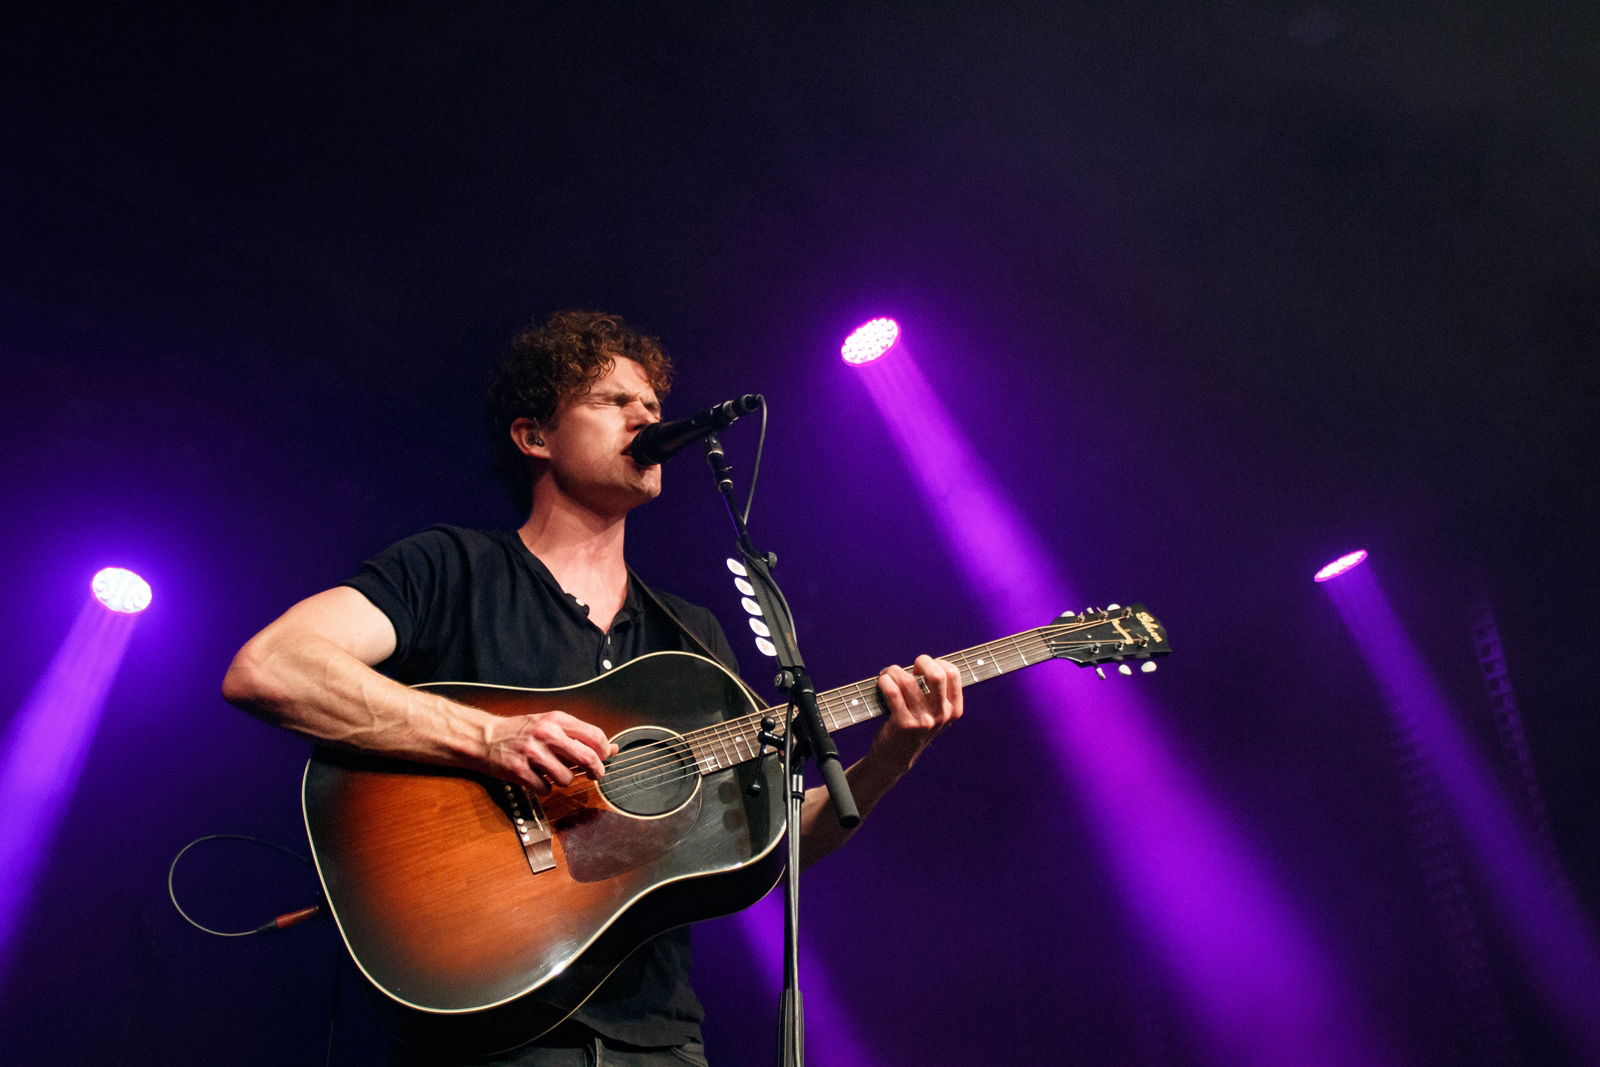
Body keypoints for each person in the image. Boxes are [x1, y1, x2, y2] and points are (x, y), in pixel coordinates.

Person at [222, 310, 963, 1065]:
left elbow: (771, 843)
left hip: (659, 1038)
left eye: (652, 403)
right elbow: (271, 666)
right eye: (613, 400)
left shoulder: (691, 634)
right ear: (533, 437)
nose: (646, 416)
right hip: (489, 1031)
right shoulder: (450, 569)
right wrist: (489, 736)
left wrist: (889, 758)